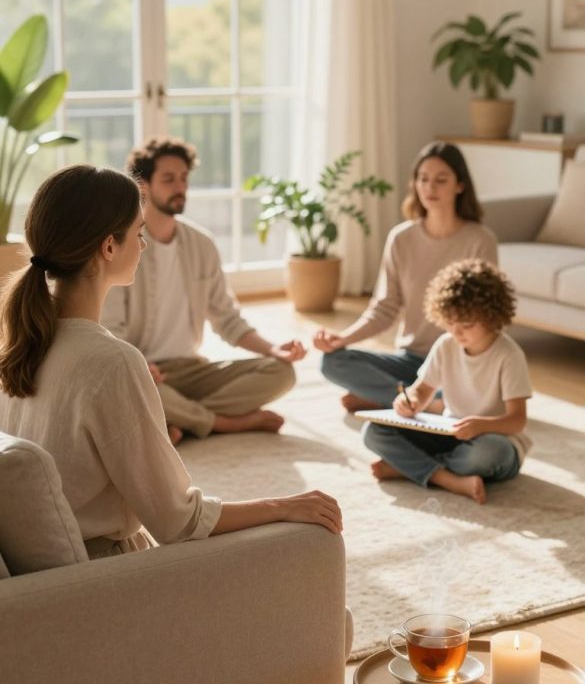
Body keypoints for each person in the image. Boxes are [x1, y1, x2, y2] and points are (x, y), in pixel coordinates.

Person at [0, 164, 342, 556]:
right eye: (139, 233)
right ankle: (210, 421)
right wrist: (285, 505)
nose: (143, 246)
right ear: (109, 247)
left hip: (54, 580)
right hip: (106, 577)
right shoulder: (111, 363)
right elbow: (179, 522)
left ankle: (193, 418)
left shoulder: (19, 345)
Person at [102, 136, 306, 445]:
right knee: (127, 389)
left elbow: (227, 319)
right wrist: (141, 365)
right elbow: (110, 331)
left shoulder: (202, 243)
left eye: (184, 178)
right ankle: (222, 423)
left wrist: (273, 349)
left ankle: (170, 421)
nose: (180, 187)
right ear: (143, 186)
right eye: (169, 179)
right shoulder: (125, 248)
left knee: (282, 373)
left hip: (193, 371)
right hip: (145, 373)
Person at [313, 142, 498, 412]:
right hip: (413, 361)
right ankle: (422, 403)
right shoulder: (401, 238)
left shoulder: (480, 241)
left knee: (475, 396)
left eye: (441, 180)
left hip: (459, 363)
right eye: (423, 179)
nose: (430, 188)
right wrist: (342, 339)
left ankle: (392, 399)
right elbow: (384, 309)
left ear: (460, 185)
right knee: (333, 362)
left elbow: (488, 316)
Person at [362, 259, 532, 505]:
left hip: (494, 440)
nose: (456, 332)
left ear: (492, 316)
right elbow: (421, 390)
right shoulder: (446, 345)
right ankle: (448, 478)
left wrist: (480, 426)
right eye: (450, 323)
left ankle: (409, 467)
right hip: (450, 432)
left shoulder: (509, 355)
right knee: (373, 432)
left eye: (466, 325)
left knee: (487, 455)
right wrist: (409, 402)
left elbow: (517, 420)